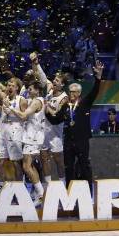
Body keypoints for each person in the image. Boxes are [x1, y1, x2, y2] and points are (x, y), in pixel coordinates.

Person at [47, 61, 104, 188]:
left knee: (84, 165)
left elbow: (95, 91)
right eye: (70, 91)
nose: (71, 94)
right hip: (68, 141)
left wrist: (98, 77)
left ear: (79, 93)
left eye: (73, 92)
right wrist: (47, 111)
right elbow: (56, 120)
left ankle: (88, 192)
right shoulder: (66, 106)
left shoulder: (84, 104)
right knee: (69, 168)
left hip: (82, 140)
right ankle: (69, 192)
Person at [5, 81, 46, 206]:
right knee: (30, 166)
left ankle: (41, 195)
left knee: (26, 167)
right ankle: (39, 193)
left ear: (37, 90)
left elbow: (23, 115)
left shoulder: (37, 102)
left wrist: (10, 107)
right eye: (28, 88)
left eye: (31, 88)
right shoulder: (31, 100)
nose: (28, 90)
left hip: (34, 137)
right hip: (30, 137)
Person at [31, 54, 68, 186]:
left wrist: (47, 109)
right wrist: (36, 63)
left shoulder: (64, 98)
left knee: (58, 160)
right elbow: (42, 76)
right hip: (43, 132)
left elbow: (56, 116)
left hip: (55, 133)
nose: (54, 81)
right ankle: (47, 186)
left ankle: (63, 186)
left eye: (57, 81)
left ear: (62, 84)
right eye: (55, 80)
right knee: (44, 158)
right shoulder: (49, 90)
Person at [0, 62, 28, 182]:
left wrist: (11, 109)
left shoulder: (22, 100)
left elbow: (24, 118)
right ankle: (1, 188)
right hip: (2, 132)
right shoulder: (3, 97)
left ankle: (20, 187)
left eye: (12, 85)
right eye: (8, 85)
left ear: (17, 88)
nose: (9, 87)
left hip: (15, 133)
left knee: (16, 162)